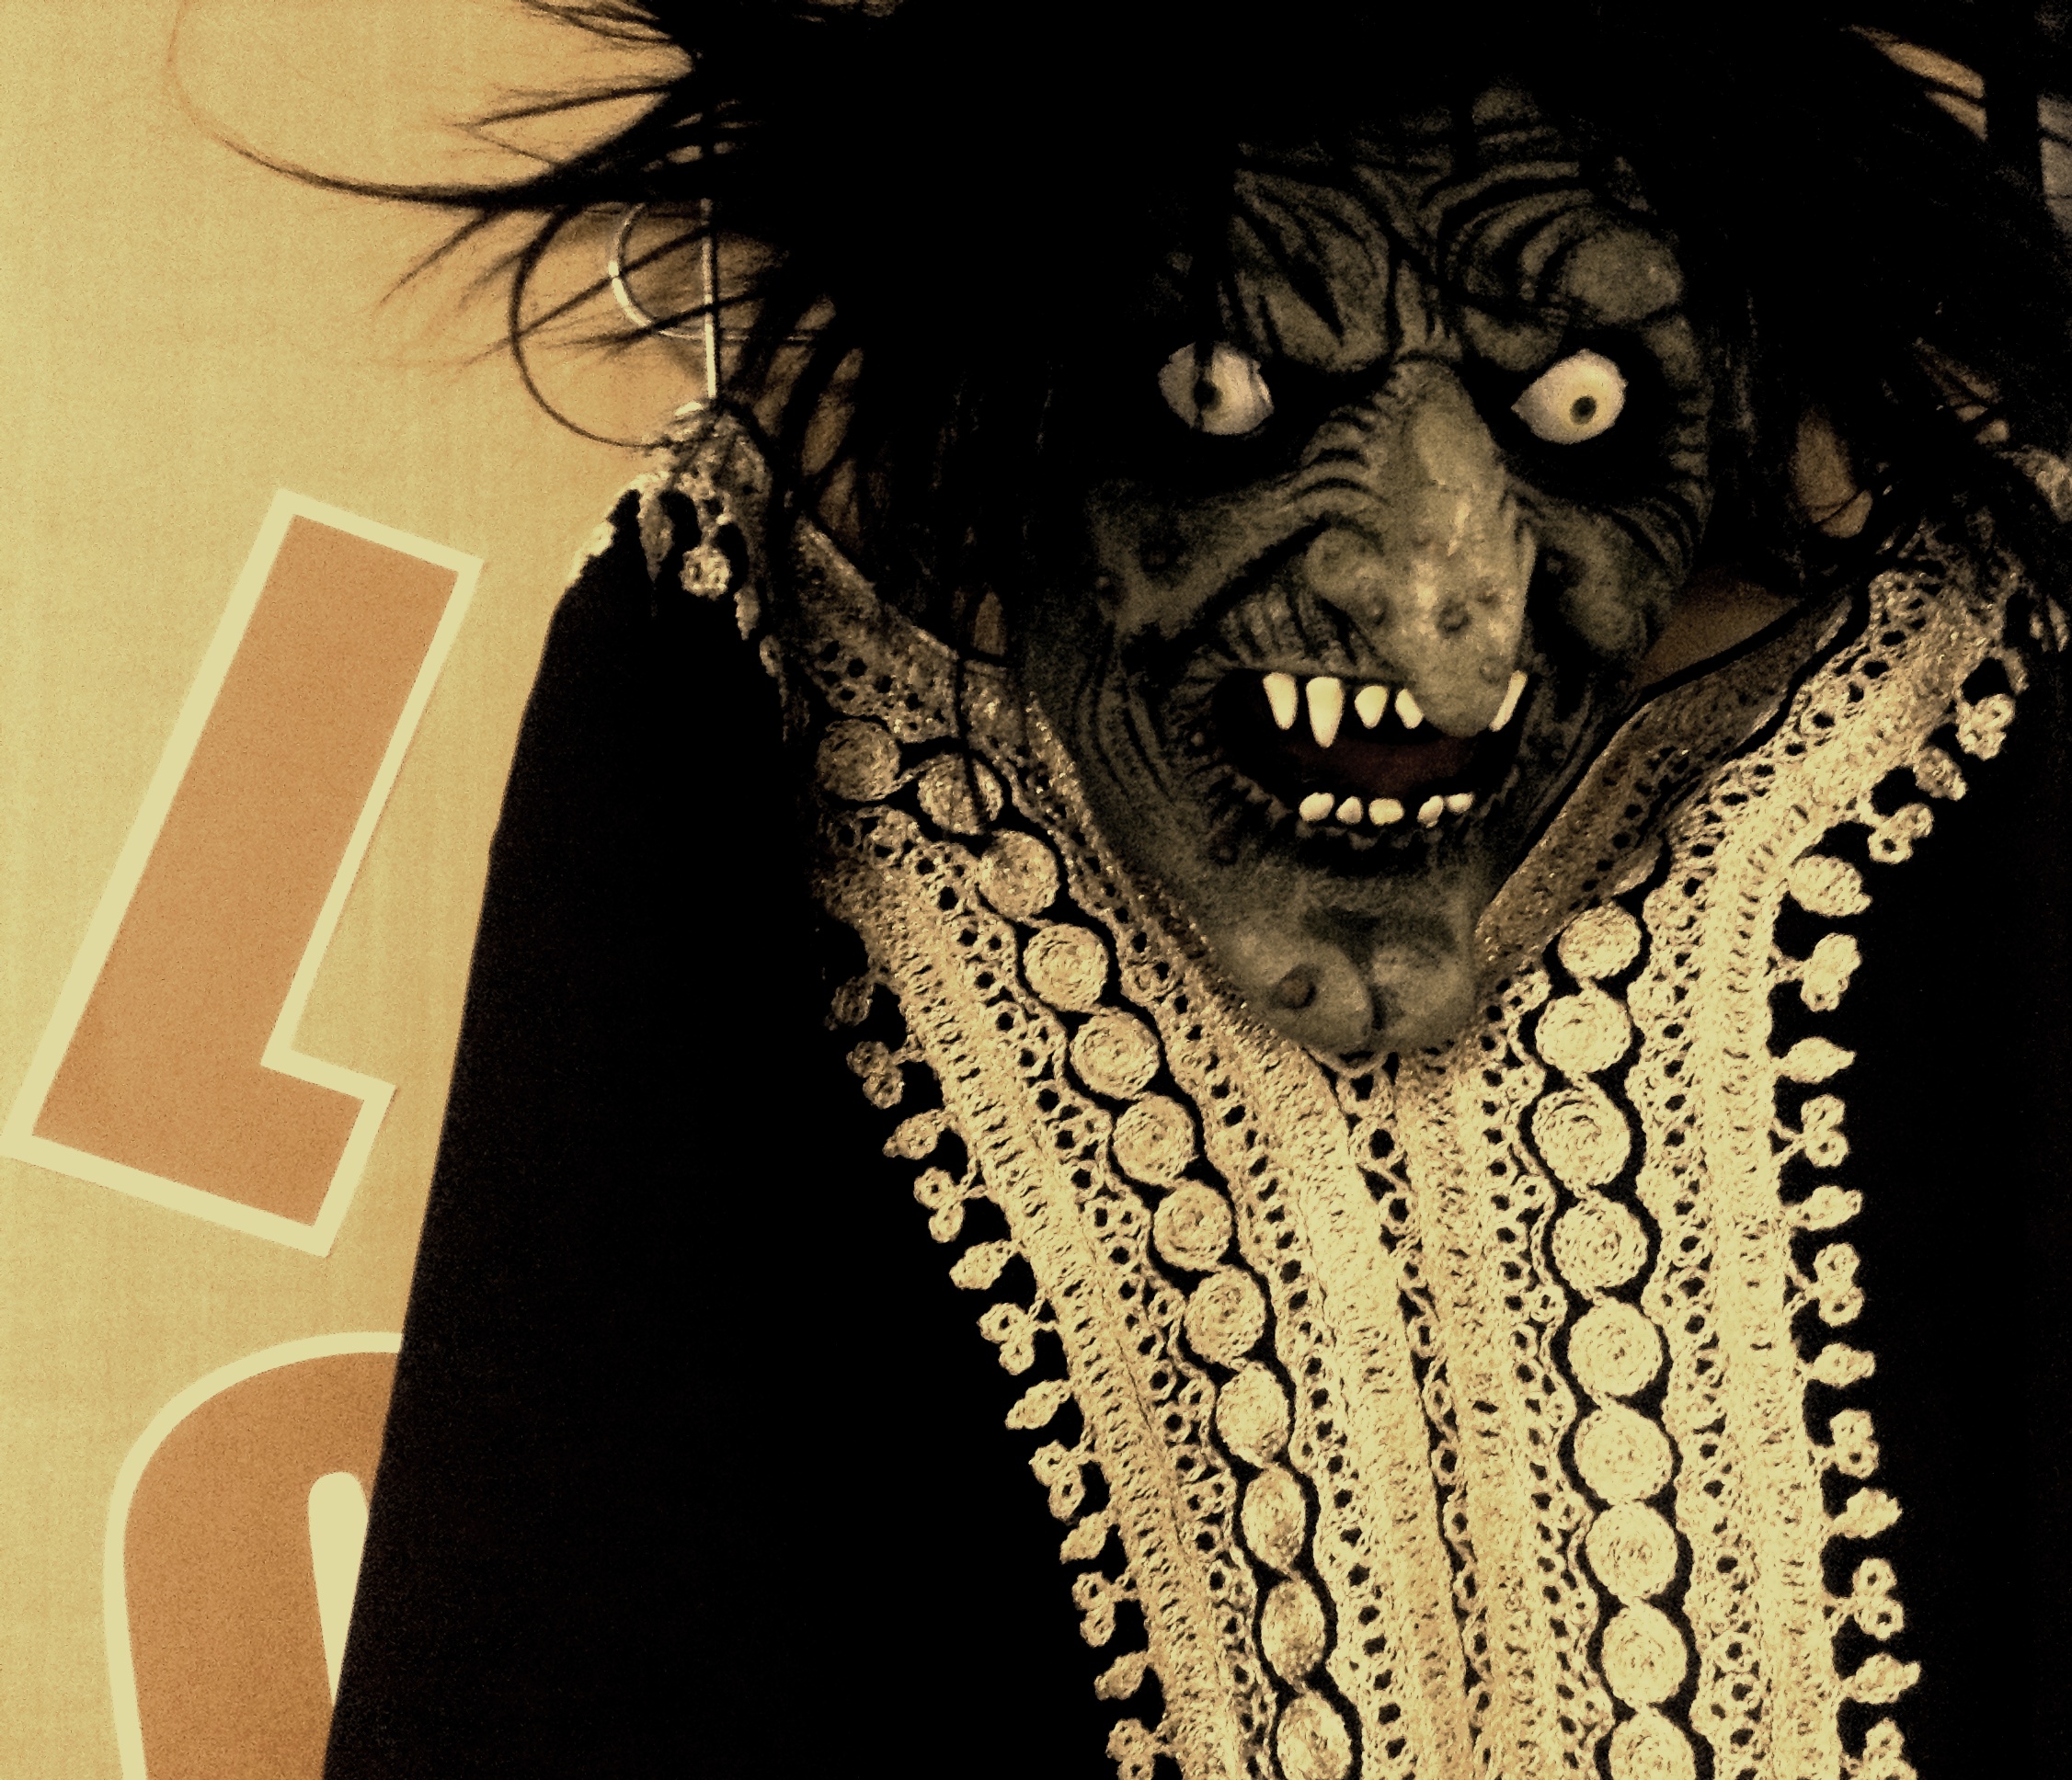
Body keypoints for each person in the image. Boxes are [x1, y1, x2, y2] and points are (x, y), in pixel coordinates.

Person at [309, 3, 2072, 1774]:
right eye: (1223, 397)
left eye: (1578, 408)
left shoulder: (1957, 703)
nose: (1439, 628)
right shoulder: (768, 699)